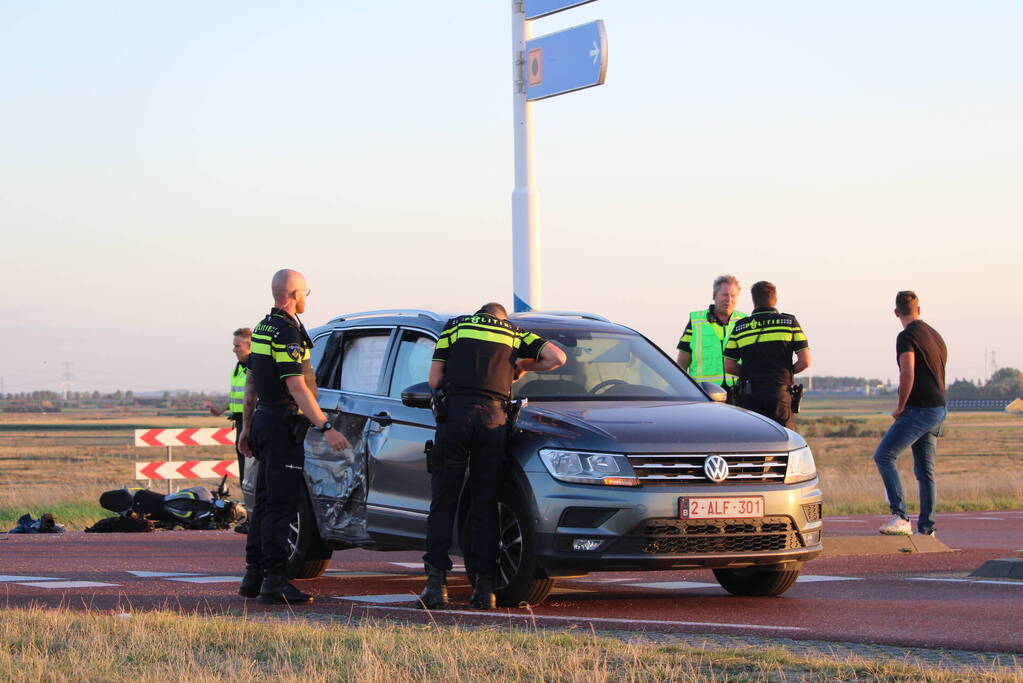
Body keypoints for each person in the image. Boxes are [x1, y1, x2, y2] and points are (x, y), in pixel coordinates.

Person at [418, 303, 566, 610]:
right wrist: (522, 367)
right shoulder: (514, 334)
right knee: (485, 503)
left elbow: (434, 381)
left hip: (455, 418)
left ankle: (436, 587)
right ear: (502, 318)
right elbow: (557, 357)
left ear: (480, 314)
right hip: (494, 421)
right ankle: (485, 590)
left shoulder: (455, 327)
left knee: (444, 500)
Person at [236, 269, 349, 604]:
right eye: (305, 292)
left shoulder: (262, 328)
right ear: (294, 294)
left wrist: (246, 426)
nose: (306, 298)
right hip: (283, 425)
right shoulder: (286, 332)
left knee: (266, 503)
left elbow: (252, 382)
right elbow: (296, 385)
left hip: (264, 422)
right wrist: (326, 426)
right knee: (280, 506)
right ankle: (275, 580)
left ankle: (253, 576)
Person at [873, 291, 947, 537]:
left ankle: (901, 516)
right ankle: (927, 528)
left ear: (896, 312)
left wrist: (901, 406)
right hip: (938, 407)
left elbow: (908, 372)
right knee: (926, 471)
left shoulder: (906, 337)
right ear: (919, 309)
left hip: (919, 408)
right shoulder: (935, 335)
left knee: (884, 455)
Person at [723, 281, 811, 427]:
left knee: (753, 442)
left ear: (754, 301)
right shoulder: (789, 323)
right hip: (780, 394)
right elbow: (805, 362)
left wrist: (751, 373)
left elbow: (729, 366)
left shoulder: (741, 327)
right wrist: (784, 372)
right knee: (782, 442)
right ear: (775, 299)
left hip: (750, 395)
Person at [676, 275, 746, 393]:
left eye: (733, 296)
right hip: (703, 392)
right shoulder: (696, 321)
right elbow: (683, 359)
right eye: (725, 295)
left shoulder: (744, 322)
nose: (729, 300)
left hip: (738, 392)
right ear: (714, 296)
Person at [209, 328, 251, 491]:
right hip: (241, 421)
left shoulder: (256, 367)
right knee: (243, 468)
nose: (234, 350)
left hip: (252, 422)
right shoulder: (239, 367)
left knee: (250, 467)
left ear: (249, 346)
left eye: (237, 346)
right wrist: (220, 409)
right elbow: (237, 395)